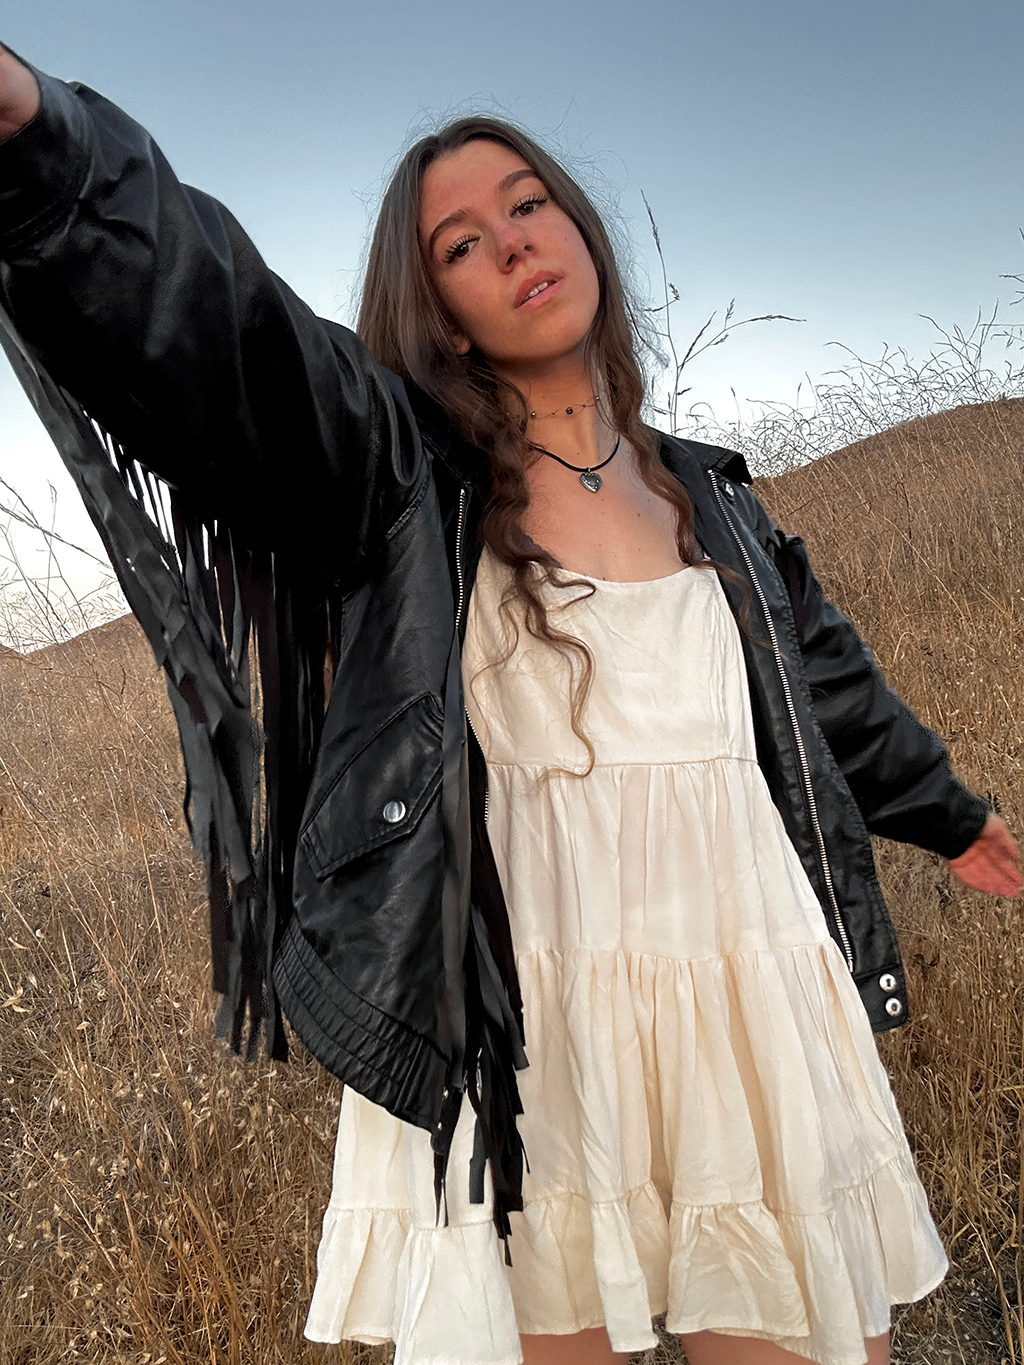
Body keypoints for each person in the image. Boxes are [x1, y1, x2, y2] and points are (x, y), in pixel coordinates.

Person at [0, 45, 1020, 1365]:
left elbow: (832, 696)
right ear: (438, 307)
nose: (513, 242)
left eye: (528, 201)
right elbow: (229, 327)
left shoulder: (718, 507)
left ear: (580, 225)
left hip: (744, 996)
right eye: (462, 243)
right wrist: (42, 136)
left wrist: (954, 819)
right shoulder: (397, 477)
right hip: (524, 1020)